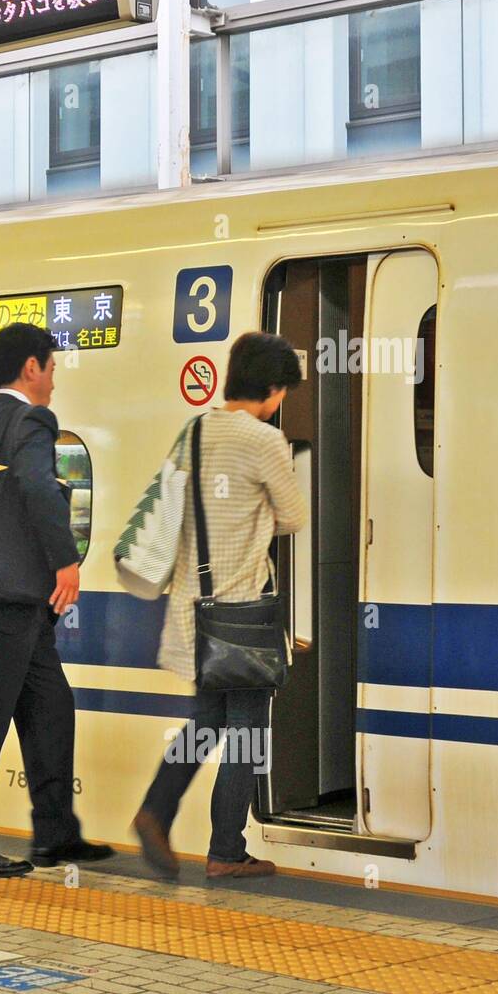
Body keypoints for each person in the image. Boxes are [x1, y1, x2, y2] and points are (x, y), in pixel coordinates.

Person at [0, 323, 112, 878]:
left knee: (51, 707)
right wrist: (66, 560)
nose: (55, 380)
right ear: (31, 368)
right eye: (52, 368)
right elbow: (36, 486)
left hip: (3, 597)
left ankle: (56, 834)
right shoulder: (31, 417)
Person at [132, 331, 307, 881]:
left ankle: (156, 810)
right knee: (250, 729)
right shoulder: (265, 442)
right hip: (244, 616)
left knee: (207, 720)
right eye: (283, 393)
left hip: (195, 611)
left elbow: (169, 511)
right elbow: (293, 515)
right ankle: (226, 851)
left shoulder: (194, 433)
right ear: (272, 389)